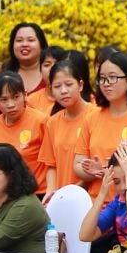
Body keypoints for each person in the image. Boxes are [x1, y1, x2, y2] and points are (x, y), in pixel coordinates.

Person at [76, 51, 127, 196]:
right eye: (102, 79)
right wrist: (95, 172)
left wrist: (111, 170)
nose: (106, 84)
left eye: (113, 78)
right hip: (96, 203)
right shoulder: (92, 118)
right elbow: (78, 164)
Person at [37, 53, 95, 202]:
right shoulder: (53, 122)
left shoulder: (95, 115)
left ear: (80, 85)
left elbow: (96, 166)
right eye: (57, 86)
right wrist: (51, 192)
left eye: (69, 84)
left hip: (88, 197)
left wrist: (73, 192)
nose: (63, 91)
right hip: (61, 198)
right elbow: (51, 164)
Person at [0, 72, 46, 190]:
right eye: (4, 99)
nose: (11, 105)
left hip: (38, 193)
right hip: (5, 194)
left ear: (25, 95)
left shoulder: (41, 121)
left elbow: (53, 161)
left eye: (16, 97)